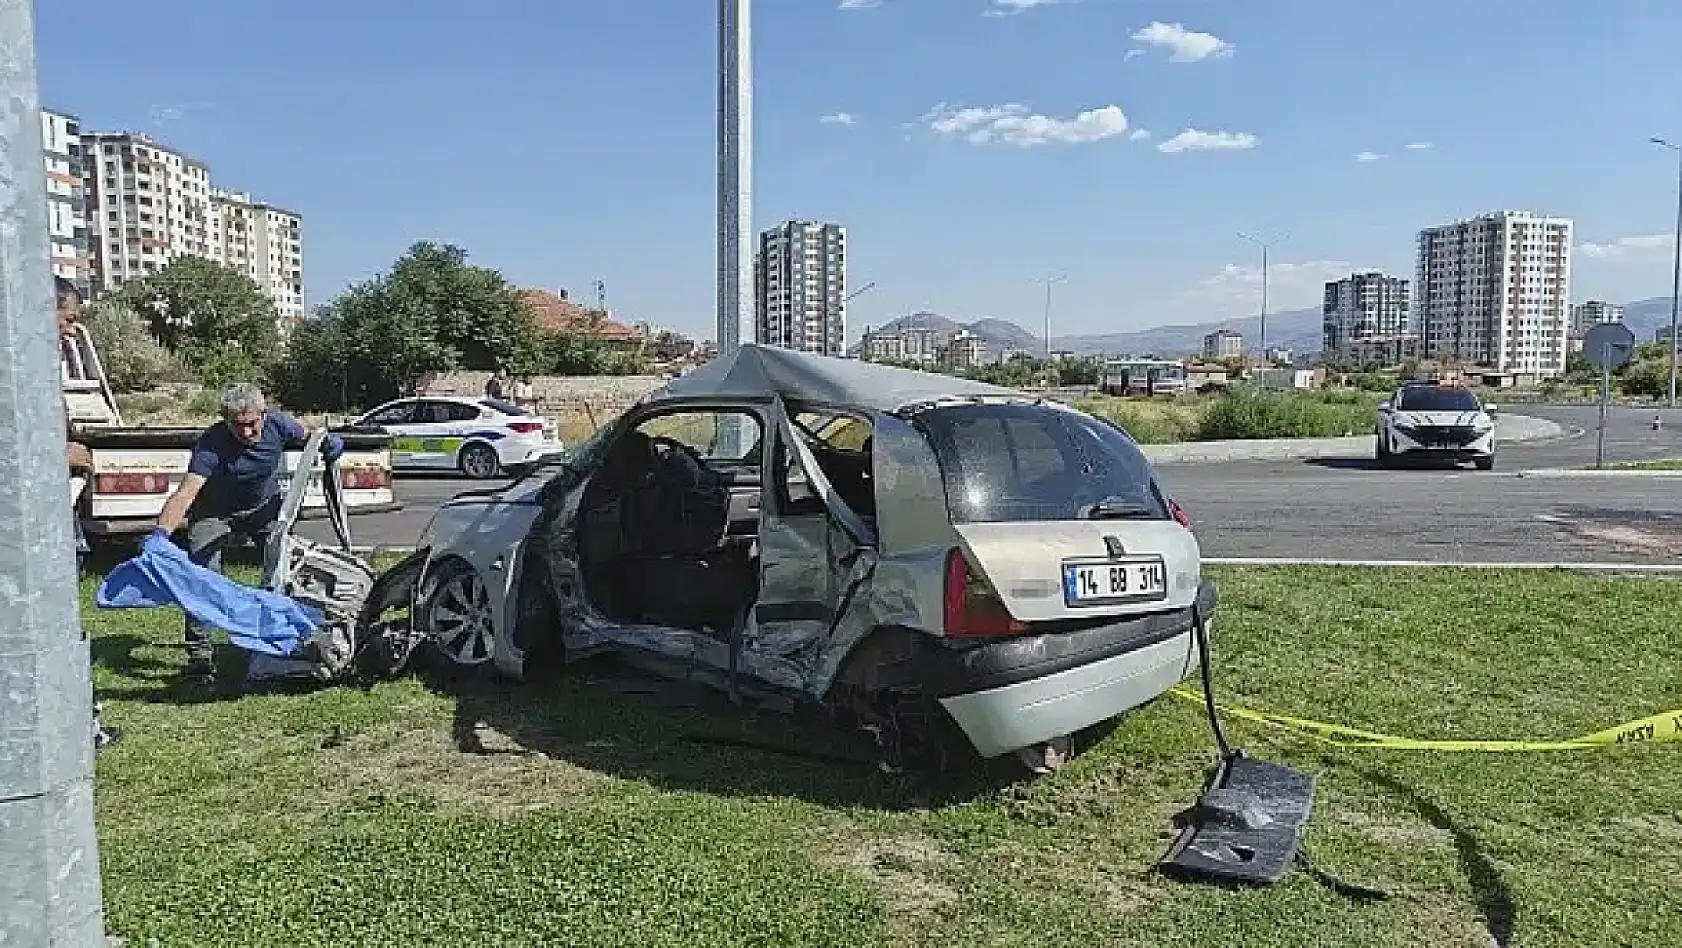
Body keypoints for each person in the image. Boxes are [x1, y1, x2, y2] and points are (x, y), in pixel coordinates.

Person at [151, 382, 344, 681]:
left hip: (263, 508)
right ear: (225, 421)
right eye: (237, 426)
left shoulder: (279, 424)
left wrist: (327, 442)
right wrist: (160, 533)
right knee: (203, 576)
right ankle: (200, 656)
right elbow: (186, 493)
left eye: (252, 424)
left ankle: (282, 638)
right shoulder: (211, 443)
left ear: (264, 415)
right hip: (214, 512)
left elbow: (309, 435)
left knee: (283, 567)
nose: (246, 433)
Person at [56, 278, 121, 749]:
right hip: (39, 532)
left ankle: (84, 725)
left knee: (68, 629)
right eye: (69, 316)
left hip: (61, 522)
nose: (74, 328)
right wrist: (62, 454)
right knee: (54, 630)